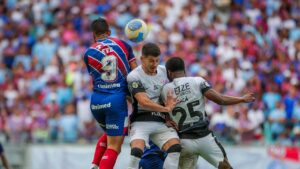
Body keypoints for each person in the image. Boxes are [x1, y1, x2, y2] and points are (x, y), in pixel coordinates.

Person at [161, 57, 256, 169]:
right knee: (226, 167)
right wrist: (241, 99)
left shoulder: (165, 90)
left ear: (169, 73)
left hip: (183, 141)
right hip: (204, 138)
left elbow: (161, 113)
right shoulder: (197, 81)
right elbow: (220, 100)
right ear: (184, 70)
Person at [83, 17, 137, 169]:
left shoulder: (89, 53)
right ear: (109, 32)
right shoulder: (122, 44)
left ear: (93, 35)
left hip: (96, 101)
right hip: (116, 101)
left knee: (111, 133)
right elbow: (135, 73)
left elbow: (94, 79)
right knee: (114, 146)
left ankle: (95, 164)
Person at [126, 43, 181, 169]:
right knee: (136, 153)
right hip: (140, 120)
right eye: (151, 61)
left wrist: (169, 116)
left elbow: (175, 88)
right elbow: (143, 101)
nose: (154, 64)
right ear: (142, 59)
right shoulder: (134, 76)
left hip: (160, 121)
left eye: (157, 60)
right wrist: (166, 109)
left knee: (175, 148)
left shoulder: (164, 71)